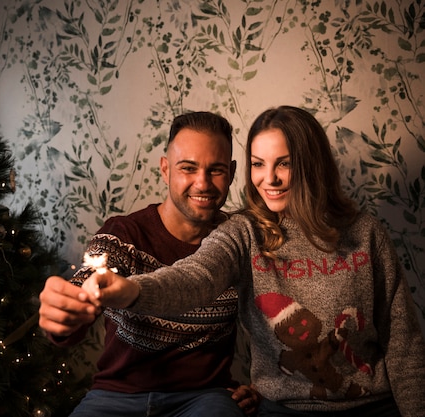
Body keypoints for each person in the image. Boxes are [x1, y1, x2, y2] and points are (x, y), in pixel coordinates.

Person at [79, 105, 425, 417]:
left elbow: (403, 340)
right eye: (258, 164)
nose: (269, 179)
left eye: (284, 163)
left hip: (371, 406)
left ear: (311, 163)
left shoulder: (365, 233)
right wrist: (130, 290)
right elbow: (195, 277)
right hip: (283, 410)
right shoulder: (244, 232)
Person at [38, 111, 260, 416]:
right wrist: (66, 313)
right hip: (116, 396)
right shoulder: (122, 236)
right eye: (188, 168)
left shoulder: (239, 241)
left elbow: (278, 318)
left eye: (216, 170)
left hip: (205, 398)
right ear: (165, 170)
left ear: (232, 172)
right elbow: (84, 292)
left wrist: (264, 386)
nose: (202, 183)